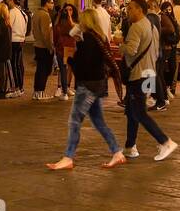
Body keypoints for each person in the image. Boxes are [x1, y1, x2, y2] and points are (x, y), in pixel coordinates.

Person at [45, 9, 126, 171]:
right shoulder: (99, 37)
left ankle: (68, 157)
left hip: (87, 85)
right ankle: (117, 152)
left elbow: (84, 66)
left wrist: (71, 60)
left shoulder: (87, 40)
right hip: (97, 84)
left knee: (75, 121)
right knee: (98, 121)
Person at [119, 0, 178, 161]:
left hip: (138, 74)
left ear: (140, 10)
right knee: (132, 110)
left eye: (130, 9)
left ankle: (165, 141)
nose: (128, 12)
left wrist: (120, 45)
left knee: (139, 112)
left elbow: (131, 50)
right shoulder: (152, 26)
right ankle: (130, 147)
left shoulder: (136, 27)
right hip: (150, 73)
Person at [154, 0, 179, 110]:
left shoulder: (161, 16)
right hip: (163, 49)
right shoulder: (162, 16)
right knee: (158, 73)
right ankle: (163, 97)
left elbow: (170, 29)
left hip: (162, 48)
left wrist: (156, 30)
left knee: (155, 73)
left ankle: (158, 98)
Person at [31, 0, 55, 100]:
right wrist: (50, 47)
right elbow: (46, 34)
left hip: (38, 45)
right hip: (44, 47)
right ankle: (40, 91)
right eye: (52, 2)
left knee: (40, 69)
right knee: (44, 70)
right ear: (46, 3)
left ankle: (37, 92)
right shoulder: (45, 15)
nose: (53, 5)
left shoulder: (36, 13)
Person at [51, 2, 77, 100]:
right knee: (63, 69)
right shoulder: (59, 22)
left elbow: (74, 28)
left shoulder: (73, 22)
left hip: (69, 48)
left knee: (67, 69)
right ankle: (63, 90)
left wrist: (69, 17)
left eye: (70, 10)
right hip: (62, 47)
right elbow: (55, 33)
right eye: (66, 10)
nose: (68, 12)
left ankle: (66, 89)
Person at [7, 0, 27, 95]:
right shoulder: (22, 12)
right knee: (18, 65)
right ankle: (20, 87)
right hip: (20, 40)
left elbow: (8, 26)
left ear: (12, 1)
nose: (7, 1)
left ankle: (16, 87)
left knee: (13, 65)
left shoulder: (12, 12)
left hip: (13, 40)